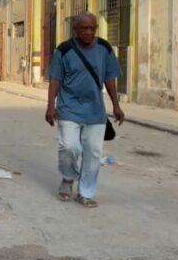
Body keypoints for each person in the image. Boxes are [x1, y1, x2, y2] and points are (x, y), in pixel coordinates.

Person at [45, 12, 125, 208]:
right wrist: (50, 106)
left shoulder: (104, 48)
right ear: (75, 30)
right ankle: (68, 176)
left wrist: (116, 104)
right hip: (69, 107)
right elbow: (55, 79)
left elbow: (109, 78)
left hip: (95, 110)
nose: (88, 32)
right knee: (69, 147)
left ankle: (85, 192)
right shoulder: (63, 50)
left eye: (92, 28)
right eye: (84, 28)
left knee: (93, 153)